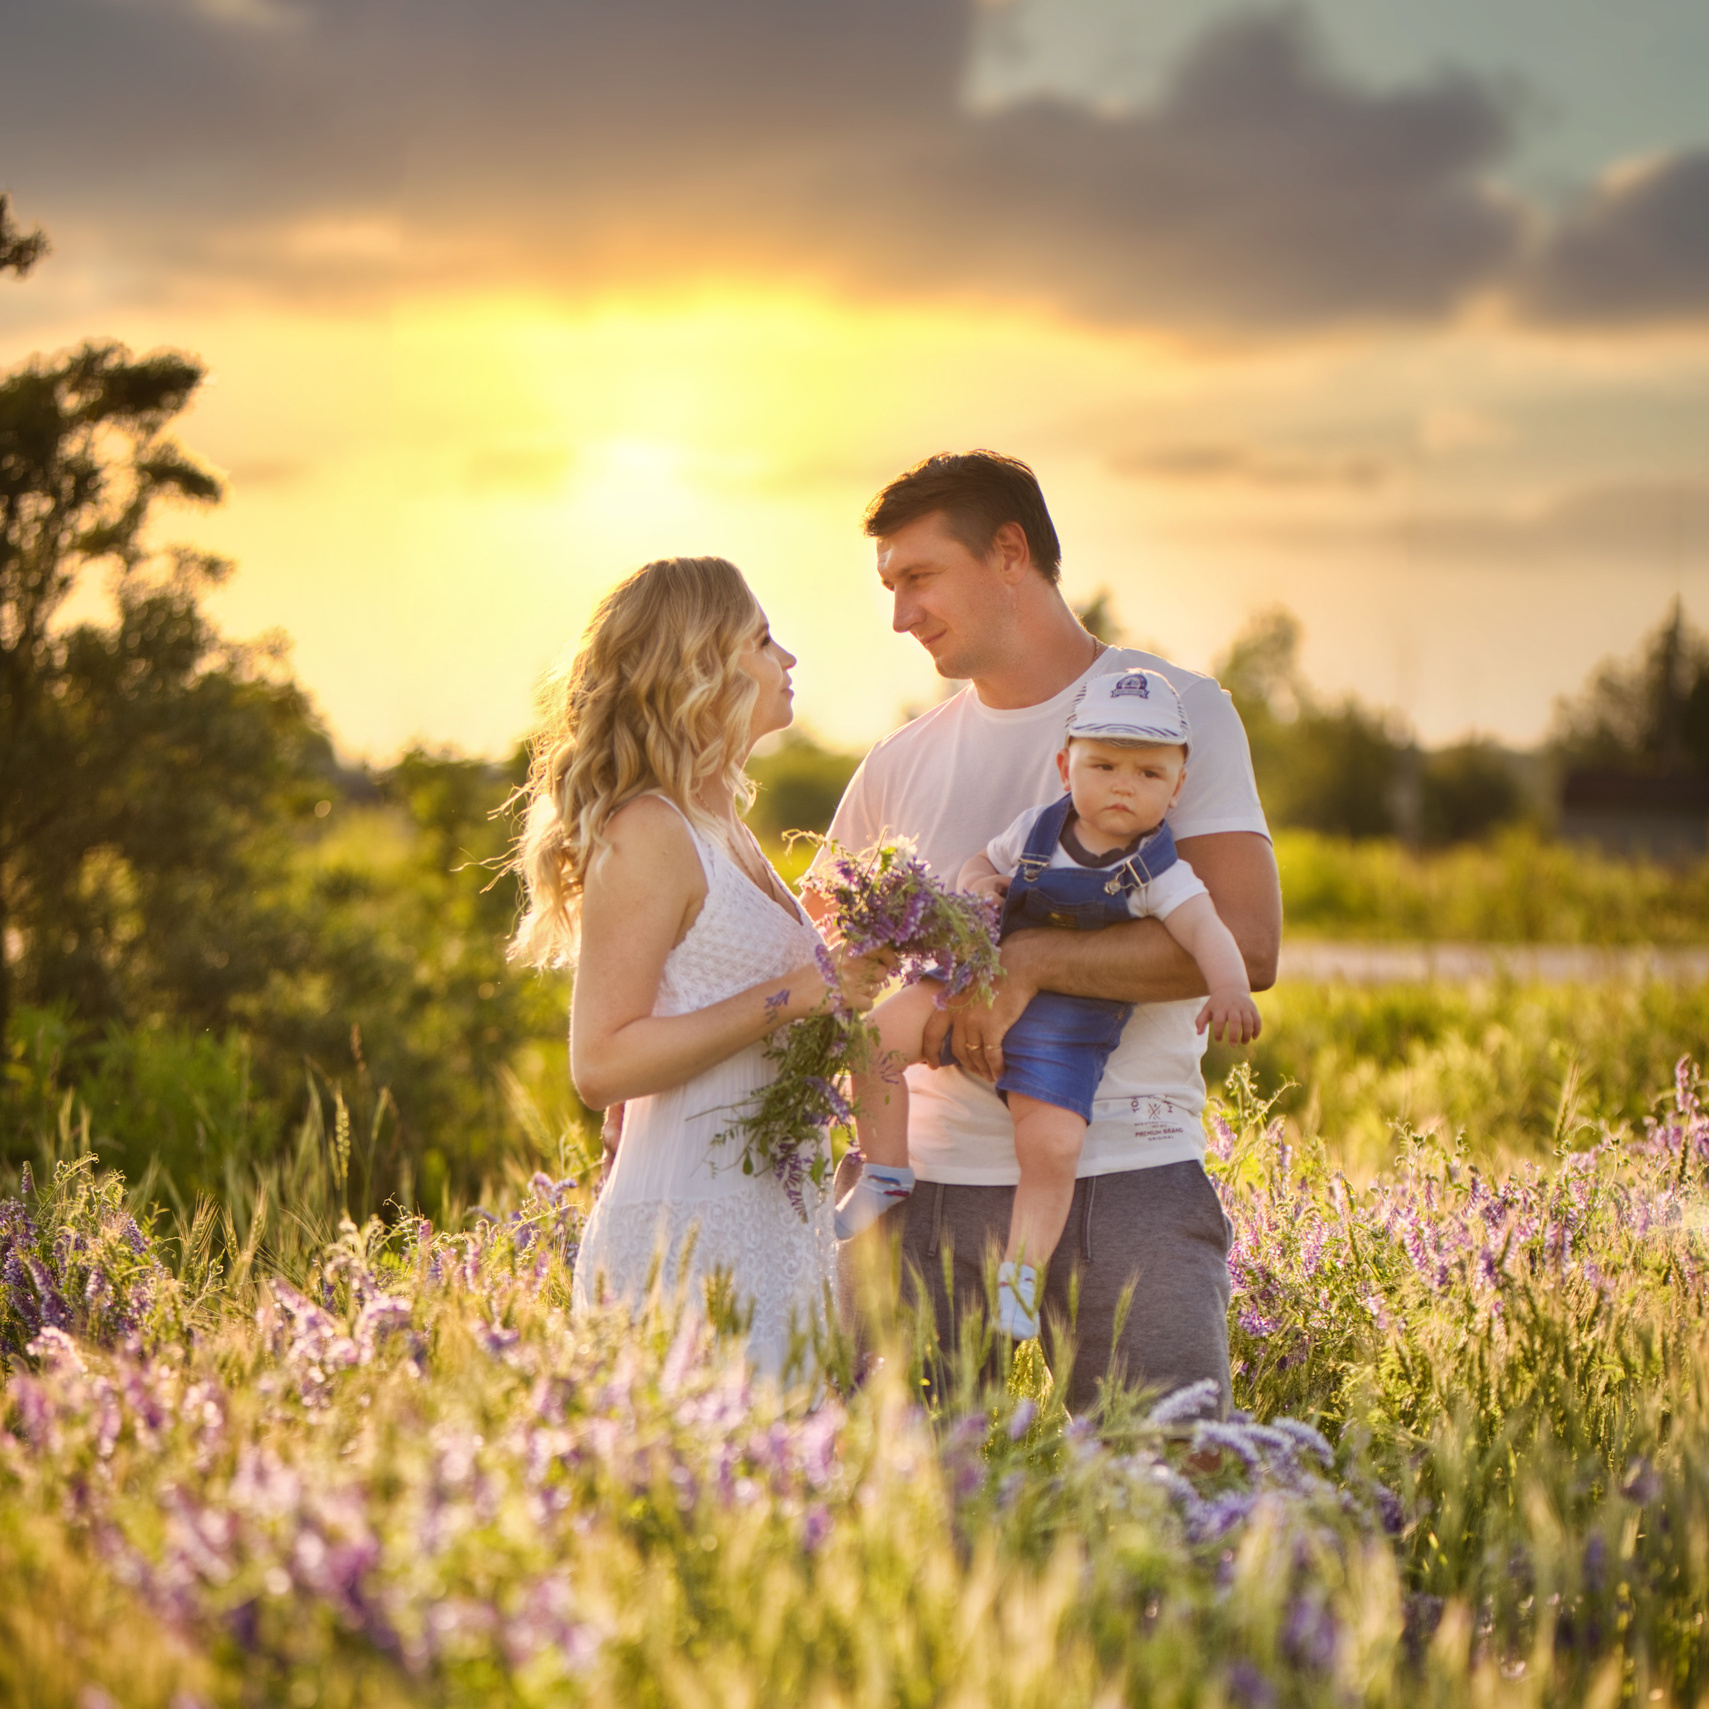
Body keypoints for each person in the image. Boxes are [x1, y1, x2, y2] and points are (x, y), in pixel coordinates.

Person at [816, 451, 1280, 1417]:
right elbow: (820, 961)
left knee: (1163, 1491)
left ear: (1010, 553)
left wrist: (1020, 962)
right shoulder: (898, 764)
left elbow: (1245, 937)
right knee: (899, 1507)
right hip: (923, 1197)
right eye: (888, 586)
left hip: (1128, 1175)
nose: (899, 615)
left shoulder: (1178, 713)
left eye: (918, 576)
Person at [510, 555, 891, 1377]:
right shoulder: (650, 830)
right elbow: (602, 1061)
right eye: (761, 639)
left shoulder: (727, 826)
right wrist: (794, 993)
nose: (787, 659)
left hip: (773, 1220)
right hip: (688, 1227)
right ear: (701, 666)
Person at [836, 667, 1262, 1340]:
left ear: (1177, 787)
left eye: (1148, 774)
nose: (1123, 783)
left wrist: (1229, 986)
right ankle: (885, 1167)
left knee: (1052, 1148)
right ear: (1066, 767)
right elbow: (980, 861)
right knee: (875, 1036)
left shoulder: (1158, 872)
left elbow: (1209, 931)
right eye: (1103, 764)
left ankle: (1019, 1276)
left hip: (1065, 1027)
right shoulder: (1037, 829)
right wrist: (980, 888)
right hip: (970, 980)